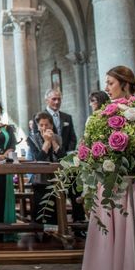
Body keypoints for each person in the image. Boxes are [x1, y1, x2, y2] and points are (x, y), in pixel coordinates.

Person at [82, 65, 135, 270]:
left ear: (125, 84)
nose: (107, 88)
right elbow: (94, 147)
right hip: (115, 185)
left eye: (111, 83)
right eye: (106, 83)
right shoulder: (102, 116)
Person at [44, 88, 83, 221]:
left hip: (67, 159)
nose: (57, 102)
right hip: (50, 160)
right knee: (54, 192)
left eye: (59, 99)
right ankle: (56, 223)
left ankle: (78, 222)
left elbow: (73, 138)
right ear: (47, 100)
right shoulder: (41, 116)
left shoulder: (67, 117)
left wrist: (67, 154)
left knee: (75, 188)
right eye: (53, 99)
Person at [26, 111, 65, 225]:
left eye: (47, 125)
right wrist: (46, 143)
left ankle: (54, 227)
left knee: (54, 206)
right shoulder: (32, 139)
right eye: (41, 125)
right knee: (41, 204)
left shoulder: (58, 138)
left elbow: (62, 157)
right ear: (37, 127)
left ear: (51, 126)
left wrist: (52, 141)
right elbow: (39, 159)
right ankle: (41, 229)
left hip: (56, 177)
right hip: (39, 178)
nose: (44, 127)